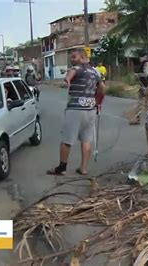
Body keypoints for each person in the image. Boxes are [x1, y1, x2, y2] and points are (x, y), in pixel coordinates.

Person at [47, 48, 106, 176]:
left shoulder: (78, 68)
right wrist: (97, 101)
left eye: (74, 57)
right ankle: (83, 168)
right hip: (90, 110)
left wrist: (67, 80)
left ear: (82, 57)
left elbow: (71, 73)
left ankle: (61, 168)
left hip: (75, 109)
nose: (71, 59)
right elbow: (102, 89)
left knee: (67, 139)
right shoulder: (95, 72)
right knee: (86, 140)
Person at [130, 54, 148, 125]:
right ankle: (140, 118)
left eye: (141, 56)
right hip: (144, 85)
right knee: (144, 103)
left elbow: (145, 74)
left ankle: (138, 118)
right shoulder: (144, 64)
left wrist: (137, 75)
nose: (140, 58)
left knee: (143, 103)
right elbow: (146, 75)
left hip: (145, 86)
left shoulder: (146, 64)